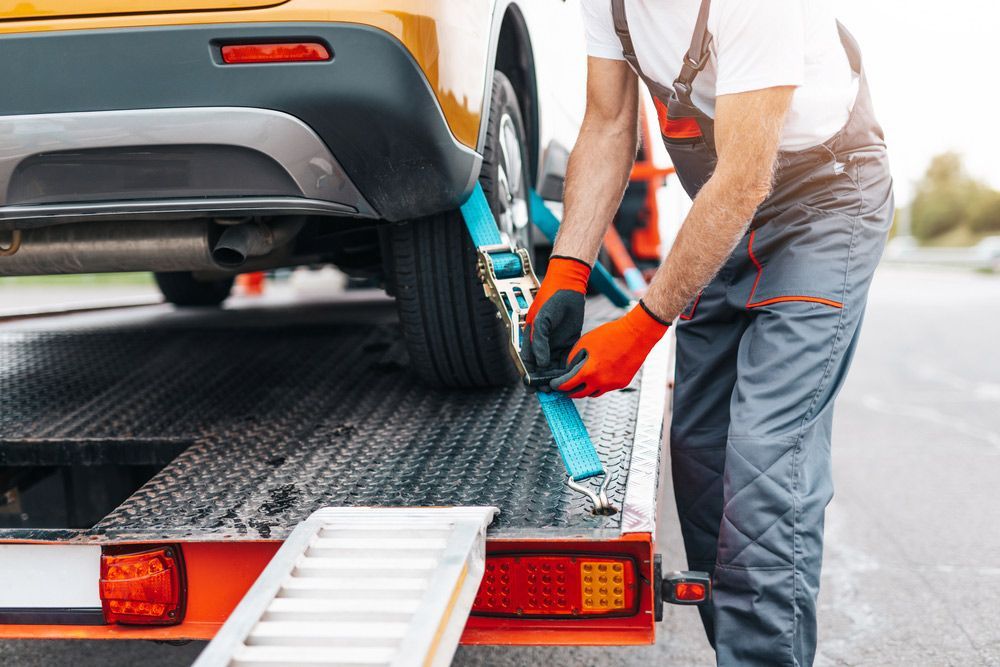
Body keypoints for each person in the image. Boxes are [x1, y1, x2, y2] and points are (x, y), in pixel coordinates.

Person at [522, 1, 893, 664]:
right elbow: (608, 125)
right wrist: (568, 271)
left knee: (764, 465)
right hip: (727, 210)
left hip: (824, 201)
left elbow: (747, 173)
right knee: (703, 457)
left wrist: (640, 329)